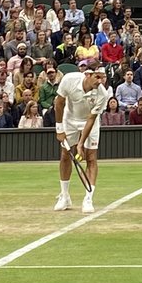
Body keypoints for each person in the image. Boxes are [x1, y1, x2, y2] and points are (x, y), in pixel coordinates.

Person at [53, 63, 112, 212]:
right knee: (65, 155)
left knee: (91, 157)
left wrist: (80, 144)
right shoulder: (69, 79)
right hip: (69, 119)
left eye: (103, 78)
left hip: (89, 122)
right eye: (97, 77)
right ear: (88, 75)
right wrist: (59, 129)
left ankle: (88, 198)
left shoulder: (103, 94)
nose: (100, 81)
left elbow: (91, 119)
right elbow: (59, 103)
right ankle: (64, 196)